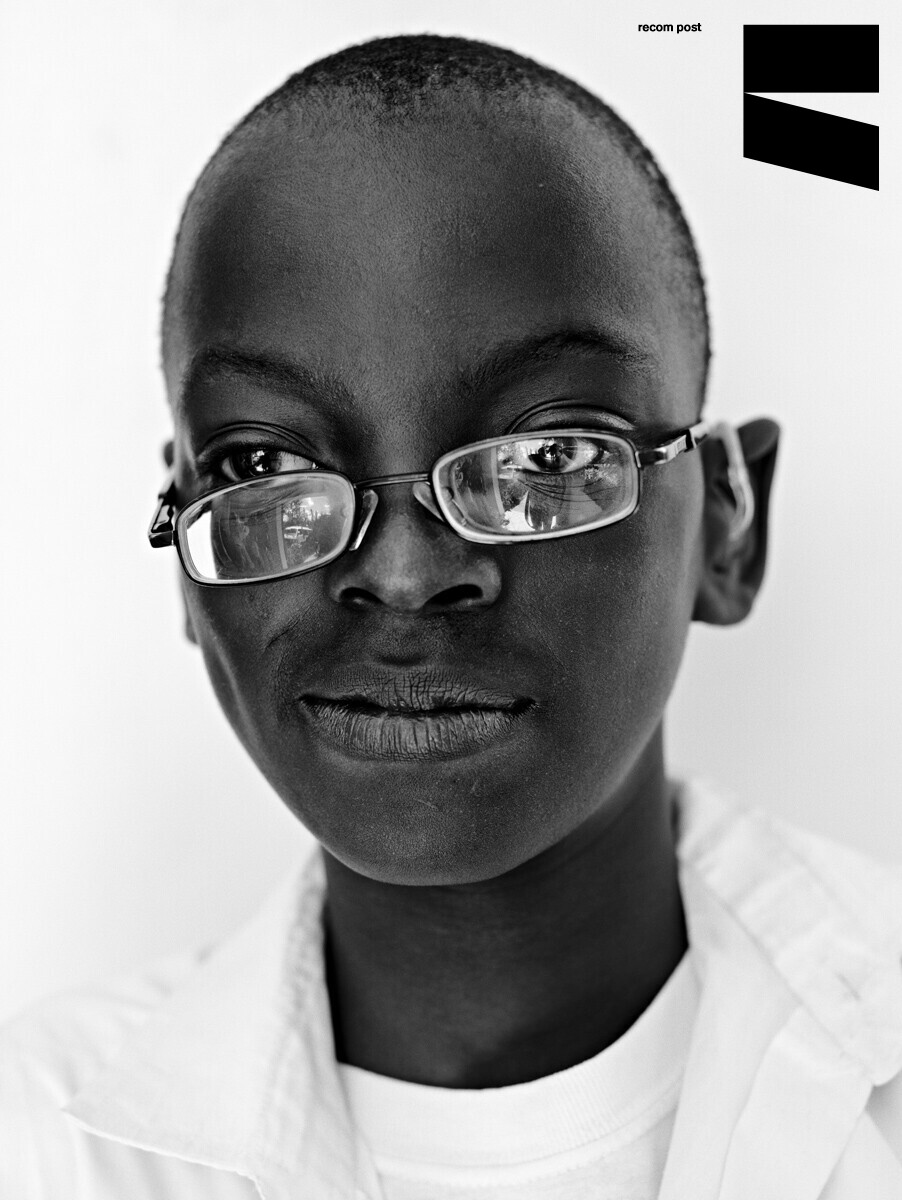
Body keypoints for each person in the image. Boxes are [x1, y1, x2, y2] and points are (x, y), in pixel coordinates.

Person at [2, 34, 901, 1199]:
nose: (405, 573)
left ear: (727, 521)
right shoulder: (39, 1146)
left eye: (548, 456)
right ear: (184, 551)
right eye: (263, 462)